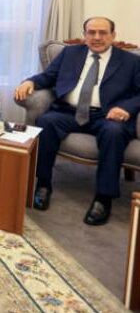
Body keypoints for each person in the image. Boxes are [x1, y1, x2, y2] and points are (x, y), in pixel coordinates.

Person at [15, 16, 140, 225]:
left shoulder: (131, 61)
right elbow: (48, 76)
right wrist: (30, 82)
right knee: (46, 121)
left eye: (103, 32)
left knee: (114, 133)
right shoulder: (70, 53)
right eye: (91, 32)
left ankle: (103, 198)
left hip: (108, 115)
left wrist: (126, 108)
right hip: (69, 112)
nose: (97, 37)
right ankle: (43, 184)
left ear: (113, 35)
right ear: (84, 36)